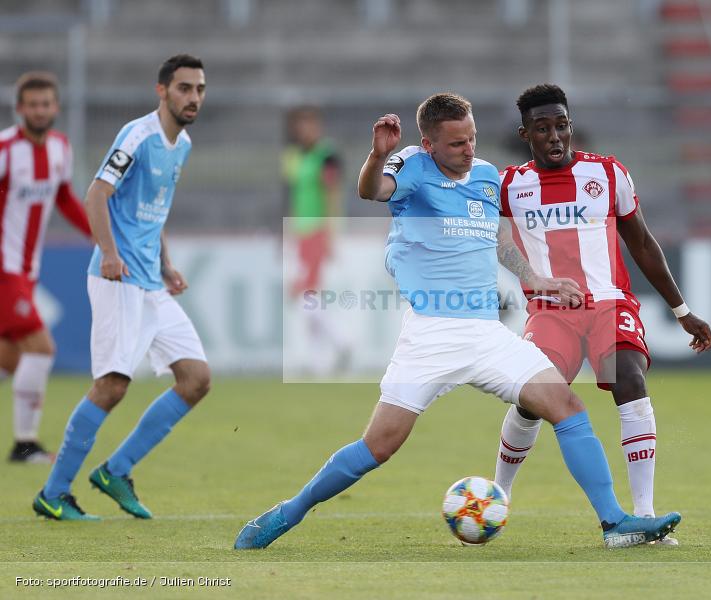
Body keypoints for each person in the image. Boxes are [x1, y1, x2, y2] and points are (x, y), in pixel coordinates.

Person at [235, 93, 681, 550]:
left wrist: (535, 278)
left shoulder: (487, 177)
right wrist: (377, 156)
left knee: (566, 406)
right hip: (430, 334)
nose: (469, 150)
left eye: (472, 138)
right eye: (456, 144)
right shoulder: (410, 166)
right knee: (378, 447)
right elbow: (372, 191)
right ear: (428, 145)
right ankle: (288, 513)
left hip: (485, 333)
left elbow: (501, 243)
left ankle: (615, 523)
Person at [492, 84, 711, 545]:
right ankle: (498, 495)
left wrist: (682, 310)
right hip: (551, 311)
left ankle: (644, 520)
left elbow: (642, 243)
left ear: (570, 125)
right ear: (525, 134)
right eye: (542, 128)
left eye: (561, 125)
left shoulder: (608, 174)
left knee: (629, 382)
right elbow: (496, 244)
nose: (555, 136)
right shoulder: (510, 185)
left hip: (608, 304)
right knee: (534, 397)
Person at [33, 55, 211, 521]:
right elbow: (96, 193)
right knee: (111, 386)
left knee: (195, 379)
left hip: (151, 280)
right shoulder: (138, 135)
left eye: (199, 89)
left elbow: (155, 209)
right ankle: (53, 493)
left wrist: (166, 263)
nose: (193, 97)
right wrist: (109, 252)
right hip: (118, 279)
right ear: (162, 91)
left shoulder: (183, 144)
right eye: (184, 88)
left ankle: (116, 469)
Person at [1, 71, 93, 464]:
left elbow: (66, 199)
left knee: (18, 360)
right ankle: (25, 445)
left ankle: (25, 443)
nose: (39, 111)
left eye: (46, 104)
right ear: (20, 109)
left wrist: (101, 236)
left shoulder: (60, 148)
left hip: (28, 268)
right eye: (32, 104)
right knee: (41, 348)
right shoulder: (5, 149)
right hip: (5, 269)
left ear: (55, 108)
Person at [282, 106, 350, 371]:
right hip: (298, 232)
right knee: (311, 296)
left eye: (310, 125)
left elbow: (332, 194)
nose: (305, 131)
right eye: (301, 125)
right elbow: (291, 197)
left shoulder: (327, 155)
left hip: (317, 231)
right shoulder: (292, 156)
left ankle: (342, 341)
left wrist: (331, 232)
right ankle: (316, 359)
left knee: (305, 294)